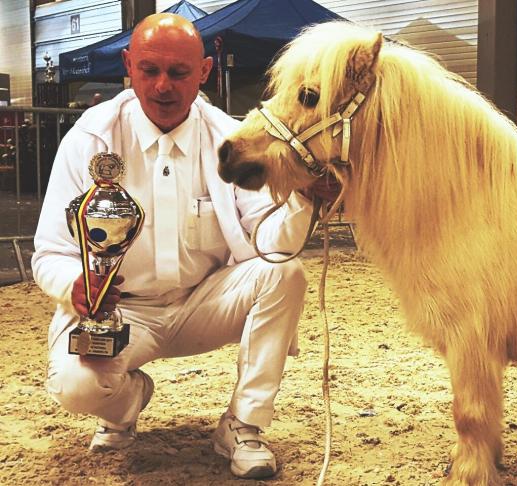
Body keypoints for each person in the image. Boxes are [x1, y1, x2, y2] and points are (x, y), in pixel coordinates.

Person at [32, 13, 337, 479]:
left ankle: (243, 425)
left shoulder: (229, 139)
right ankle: (126, 402)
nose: (162, 87)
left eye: (178, 73)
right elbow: (48, 253)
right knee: (75, 387)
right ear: (128, 66)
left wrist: (300, 199)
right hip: (121, 314)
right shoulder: (90, 139)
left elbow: (271, 248)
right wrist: (78, 287)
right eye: (149, 70)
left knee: (285, 274)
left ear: (205, 71)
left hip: (203, 303)